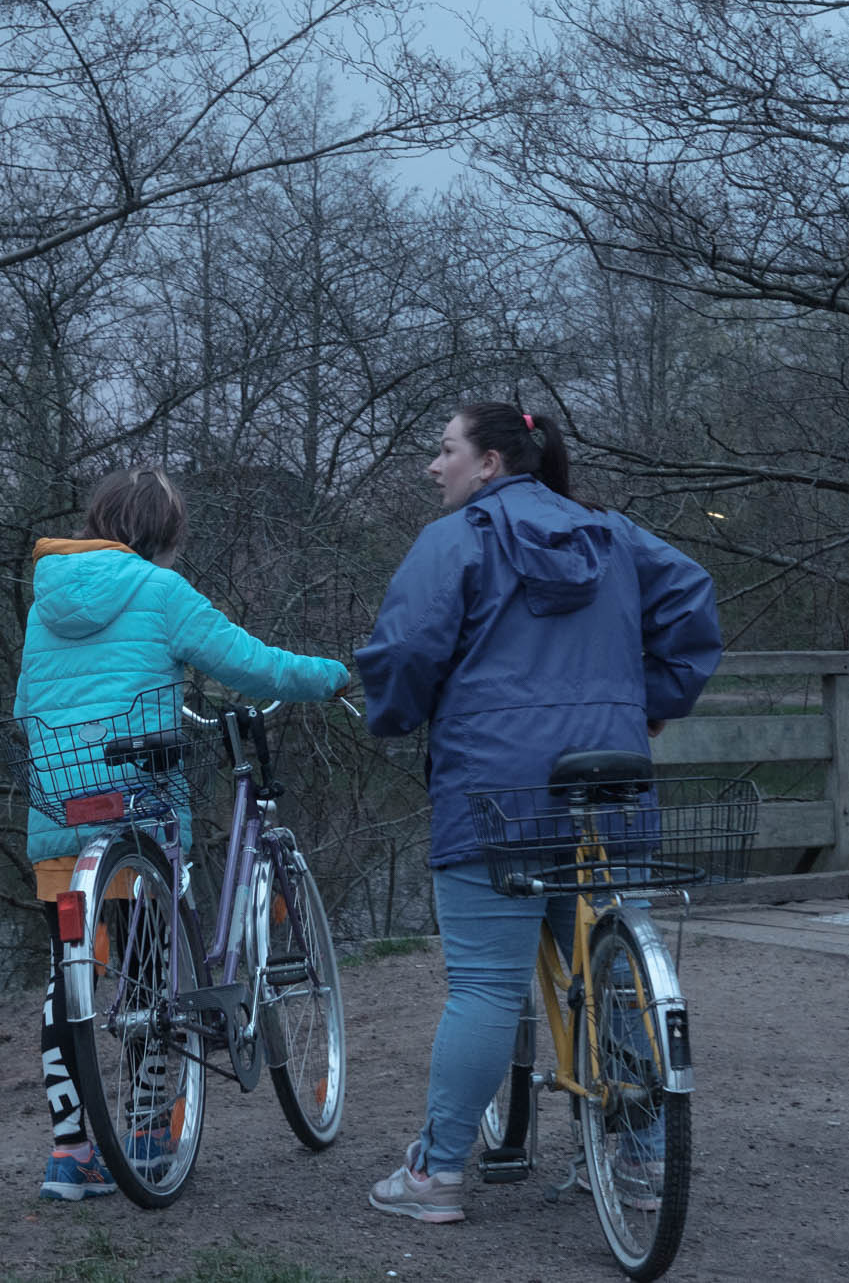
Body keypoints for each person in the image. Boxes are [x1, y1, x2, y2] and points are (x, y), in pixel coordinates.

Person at [354, 403, 722, 1224]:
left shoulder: (453, 542)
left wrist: (395, 712)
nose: (432, 465)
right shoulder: (613, 535)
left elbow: (408, 651)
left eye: (443, 448)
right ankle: (641, 1160)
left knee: (485, 985)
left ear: (489, 463)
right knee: (616, 974)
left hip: (498, 790)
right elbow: (693, 600)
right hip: (610, 776)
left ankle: (437, 1173)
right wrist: (653, 699)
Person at [14, 465, 348, 1200]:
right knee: (151, 982)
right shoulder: (159, 590)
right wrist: (333, 675)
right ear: (161, 538)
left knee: (71, 979)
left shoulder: (46, 601)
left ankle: (70, 1154)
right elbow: (248, 664)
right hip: (136, 808)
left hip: (63, 813)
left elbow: (27, 701)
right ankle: (144, 1134)